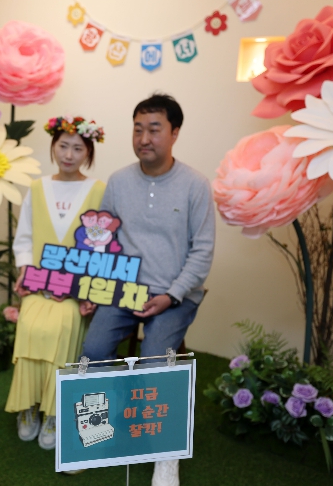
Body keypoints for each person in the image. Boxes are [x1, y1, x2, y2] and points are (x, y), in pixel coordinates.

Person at [80, 93, 215, 485]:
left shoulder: (195, 185)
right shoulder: (119, 182)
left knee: (156, 365)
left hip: (174, 294)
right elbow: (103, 239)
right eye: (138, 129)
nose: (144, 138)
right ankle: (93, 436)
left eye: (154, 129)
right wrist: (94, 286)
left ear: (175, 132)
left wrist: (171, 295)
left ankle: (165, 455)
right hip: (125, 290)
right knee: (93, 351)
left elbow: (203, 251)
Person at [5, 116, 105, 451]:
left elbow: (102, 247)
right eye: (63, 146)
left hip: (74, 292)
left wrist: (85, 289)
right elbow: (24, 239)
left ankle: (54, 411)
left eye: (78, 148)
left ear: (88, 153)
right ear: (53, 147)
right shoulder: (36, 188)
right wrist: (25, 271)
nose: (69, 154)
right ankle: (29, 406)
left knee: (63, 326)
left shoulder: (99, 191)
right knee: (29, 326)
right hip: (38, 286)